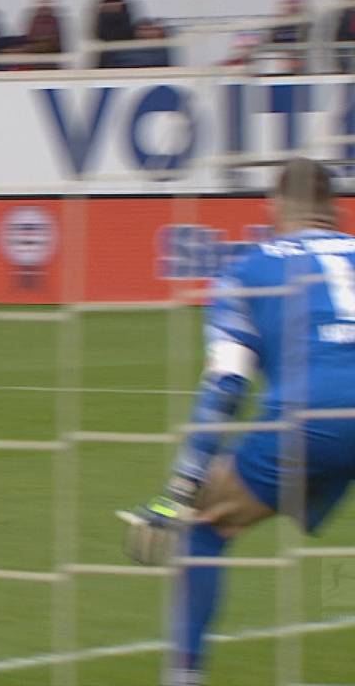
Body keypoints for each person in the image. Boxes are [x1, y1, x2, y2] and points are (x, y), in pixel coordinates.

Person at [120, 158, 355, 686]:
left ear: (272, 209)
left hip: (307, 420)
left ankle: (184, 675)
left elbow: (226, 386)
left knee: (206, 521)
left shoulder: (248, 268)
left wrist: (179, 491)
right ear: (335, 210)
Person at [92, 0, 134, 68]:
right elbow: (99, 33)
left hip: (124, 53)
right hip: (105, 54)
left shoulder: (125, 11)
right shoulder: (101, 13)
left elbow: (127, 33)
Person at [22, 0, 64, 70]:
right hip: (36, 60)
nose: (44, 4)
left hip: (52, 60)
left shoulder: (54, 20)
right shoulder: (34, 20)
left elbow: (58, 41)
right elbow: (30, 38)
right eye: (42, 1)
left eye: (46, 1)